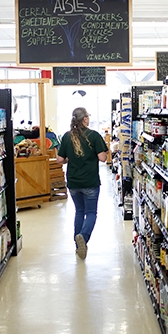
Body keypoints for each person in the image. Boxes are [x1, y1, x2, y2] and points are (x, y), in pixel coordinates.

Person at [57, 107, 108, 259]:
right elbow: (103, 158)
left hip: (73, 182)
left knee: (79, 211)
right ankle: (83, 238)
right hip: (90, 182)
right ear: (85, 119)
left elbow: (60, 160)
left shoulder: (67, 137)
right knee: (91, 213)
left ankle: (77, 245)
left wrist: (69, 158)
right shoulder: (94, 136)